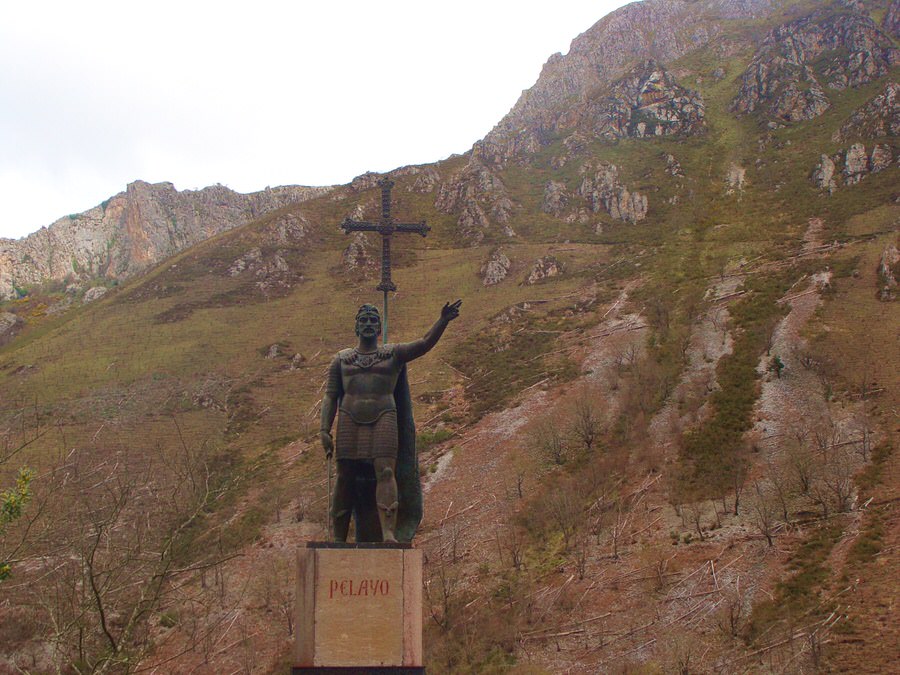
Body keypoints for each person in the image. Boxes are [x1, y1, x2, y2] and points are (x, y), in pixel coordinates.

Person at [320, 300, 461, 542]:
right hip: (348, 420)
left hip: (384, 418)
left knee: (386, 472)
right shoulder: (341, 360)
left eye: (373, 321)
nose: (367, 324)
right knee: (345, 477)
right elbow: (330, 396)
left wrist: (442, 321)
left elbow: (424, 344)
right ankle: (339, 539)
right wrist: (324, 429)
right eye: (363, 320)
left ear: (379, 329)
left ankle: (388, 534)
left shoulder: (393, 354)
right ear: (356, 327)